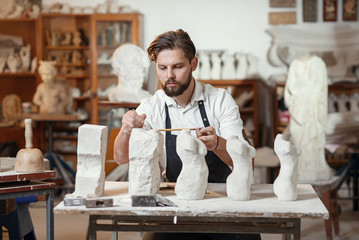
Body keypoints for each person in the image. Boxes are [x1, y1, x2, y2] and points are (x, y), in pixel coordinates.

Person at [114, 29, 260, 240]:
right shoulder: (151, 107)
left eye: (177, 67)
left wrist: (217, 143)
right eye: (162, 68)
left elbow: (244, 162)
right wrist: (126, 129)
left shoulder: (219, 100)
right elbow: (121, 158)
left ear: (194, 64)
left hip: (224, 201)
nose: (169, 76)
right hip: (177, 202)